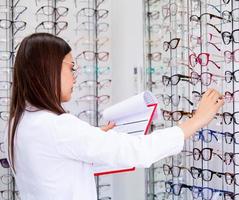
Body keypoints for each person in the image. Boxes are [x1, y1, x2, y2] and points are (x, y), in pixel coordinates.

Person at [4, 33, 224, 200]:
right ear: (48, 69)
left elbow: (55, 164)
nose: (75, 77)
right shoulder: (58, 127)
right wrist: (197, 120)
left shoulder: (18, 122)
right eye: (71, 68)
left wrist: (91, 138)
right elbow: (139, 151)